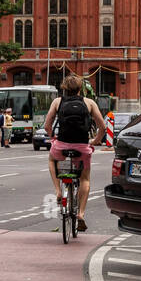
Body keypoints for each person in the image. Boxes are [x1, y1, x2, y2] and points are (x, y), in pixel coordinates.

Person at [44, 74, 107, 234]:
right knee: (84, 179)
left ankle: (58, 191)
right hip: (82, 147)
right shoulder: (89, 103)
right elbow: (102, 127)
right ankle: (80, 214)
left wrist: (52, 137)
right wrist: (95, 141)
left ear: (64, 88)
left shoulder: (57, 102)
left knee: (52, 160)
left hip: (61, 146)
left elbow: (47, 125)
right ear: (81, 89)